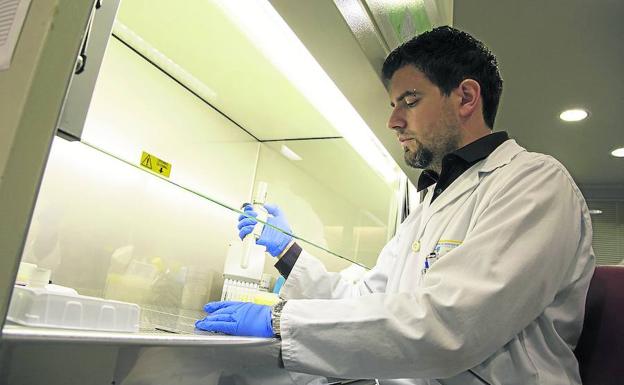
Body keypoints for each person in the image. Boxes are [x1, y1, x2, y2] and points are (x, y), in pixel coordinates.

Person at [196, 26, 595, 385]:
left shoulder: (534, 182)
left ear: (466, 97)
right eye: (394, 104)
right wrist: (286, 251)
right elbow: (371, 299)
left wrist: (280, 319)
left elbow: (448, 326)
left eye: (410, 100)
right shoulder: (430, 204)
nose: (393, 121)